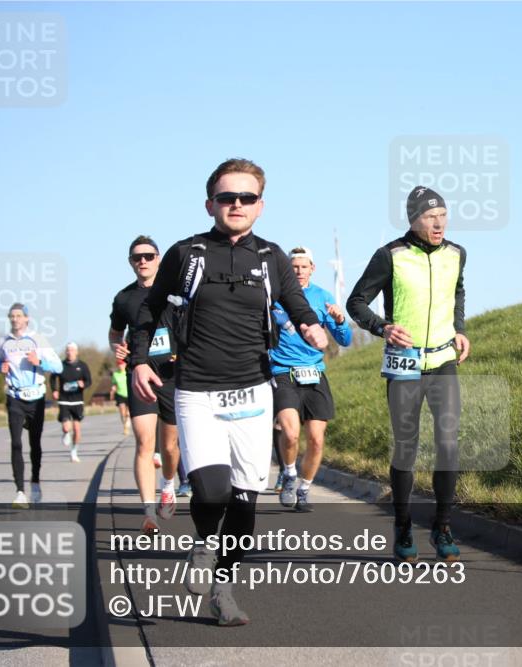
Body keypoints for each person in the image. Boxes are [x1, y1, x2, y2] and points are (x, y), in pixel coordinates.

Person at [130, 158, 328, 625]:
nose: (236, 204)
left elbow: (294, 300)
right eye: (227, 197)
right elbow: (149, 310)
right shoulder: (186, 254)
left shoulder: (271, 257)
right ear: (210, 204)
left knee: (244, 502)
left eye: (246, 197)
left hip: (254, 391)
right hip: (197, 390)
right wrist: (138, 359)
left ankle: (223, 589)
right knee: (212, 488)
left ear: (260, 205)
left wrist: (310, 325)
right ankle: (203, 542)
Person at [347, 186, 470, 563]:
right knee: (407, 447)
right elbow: (356, 302)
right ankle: (402, 526)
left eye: (443, 216)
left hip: (443, 360)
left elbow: (457, 292)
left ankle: (442, 526)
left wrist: (460, 328)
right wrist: (382, 327)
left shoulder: (457, 254)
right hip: (404, 362)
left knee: (448, 445)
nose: (439, 223)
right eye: (431, 217)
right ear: (414, 220)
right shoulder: (390, 256)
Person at [271, 246, 353, 512]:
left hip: (314, 372)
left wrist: (340, 321)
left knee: (316, 440)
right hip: (283, 371)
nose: (298, 271)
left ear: (312, 269)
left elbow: (345, 340)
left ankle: (304, 489)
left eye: (303, 267)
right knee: (291, 433)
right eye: (293, 267)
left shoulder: (322, 296)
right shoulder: (275, 296)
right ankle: (289, 474)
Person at [109, 235, 182, 536]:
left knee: (170, 446)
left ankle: (168, 485)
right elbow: (115, 333)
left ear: (158, 259)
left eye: (149, 256)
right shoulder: (124, 298)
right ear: (130, 262)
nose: (143, 261)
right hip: (139, 374)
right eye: (137, 257)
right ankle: (149, 513)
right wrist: (116, 347)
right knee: (144, 441)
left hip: (172, 374)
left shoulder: (175, 291)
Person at [0, 303, 62, 508]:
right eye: (12, 316)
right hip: (14, 397)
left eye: (18, 316)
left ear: (26, 319)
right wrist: (1, 367)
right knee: (16, 443)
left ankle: (35, 482)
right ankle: (20, 492)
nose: (15, 319)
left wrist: (39, 361)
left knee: (34, 443)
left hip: (36, 398)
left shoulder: (37, 339)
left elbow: (57, 366)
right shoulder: (3, 341)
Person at [50, 342, 91, 463]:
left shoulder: (82, 366)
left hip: (77, 401)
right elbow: (52, 378)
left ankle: (74, 452)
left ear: (76, 352)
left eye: (72, 350)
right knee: (66, 426)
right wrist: (54, 390)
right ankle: (66, 433)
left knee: (77, 431)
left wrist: (83, 384)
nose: (70, 352)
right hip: (64, 400)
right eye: (68, 350)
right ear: (66, 352)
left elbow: (89, 381)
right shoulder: (60, 365)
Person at [109, 359, 131, 435]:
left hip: (129, 394)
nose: (120, 366)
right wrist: (112, 393)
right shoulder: (115, 374)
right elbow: (114, 385)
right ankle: (125, 426)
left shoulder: (128, 372)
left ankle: (127, 424)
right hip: (120, 394)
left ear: (125, 364)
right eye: (119, 365)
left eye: (122, 364)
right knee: (122, 412)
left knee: (128, 413)